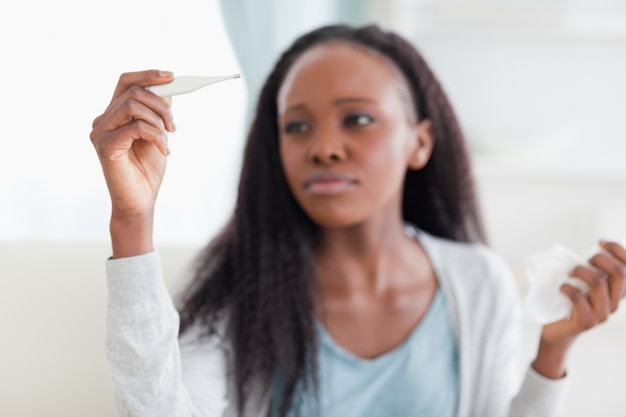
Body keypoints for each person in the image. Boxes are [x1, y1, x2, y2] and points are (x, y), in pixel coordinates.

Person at [90, 24, 626, 417]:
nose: (323, 147)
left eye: (359, 119)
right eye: (297, 126)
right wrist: (132, 222)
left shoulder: (477, 283)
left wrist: (552, 351)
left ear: (420, 142)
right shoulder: (237, 285)